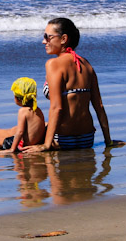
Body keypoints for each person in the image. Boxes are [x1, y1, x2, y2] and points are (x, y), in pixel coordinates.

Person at [22, 18, 113, 152]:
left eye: (47, 37)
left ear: (64, 39)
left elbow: (56, 108)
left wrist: (47, 145)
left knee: (17, 134)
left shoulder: (53, 64)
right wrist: (108, 141)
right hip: (87, 139)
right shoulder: (86, 64)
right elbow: (99, 106)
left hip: (63, 139)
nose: (43, 41)